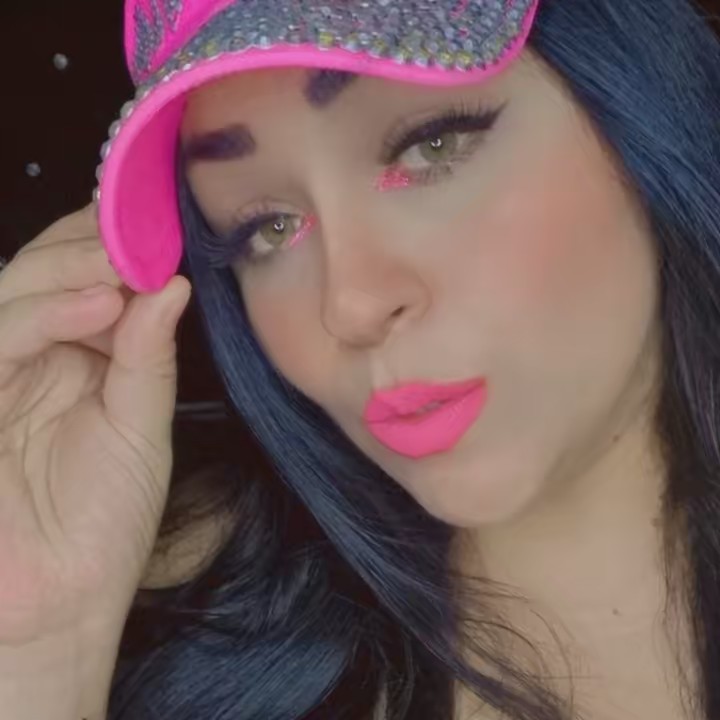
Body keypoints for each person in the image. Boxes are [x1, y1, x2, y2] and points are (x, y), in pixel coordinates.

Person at [1, 0, 720, 718]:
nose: (350, 305)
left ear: (634, 107)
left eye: (431, 146)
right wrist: (45, 659)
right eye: (268, 227)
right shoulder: (214, 664)